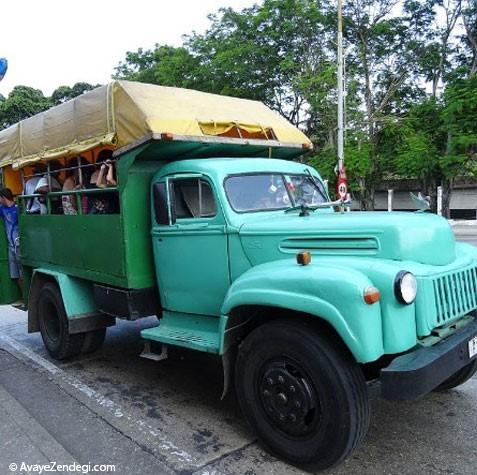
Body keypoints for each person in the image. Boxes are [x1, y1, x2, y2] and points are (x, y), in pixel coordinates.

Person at [0, 188, 22, 290]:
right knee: (15, 273)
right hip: (11, 245)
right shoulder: (2, 209)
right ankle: (23, 298)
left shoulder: (18, 208)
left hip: (19, 244)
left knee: (22, 272)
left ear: (3, 197)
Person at [89, 150, 118, 214]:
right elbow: (98, 184)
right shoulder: (105, 179)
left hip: (114, 209)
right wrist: (102, 170)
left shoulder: (116, 179)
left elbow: (110, 179)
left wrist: (110, 167)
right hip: (107, 209)